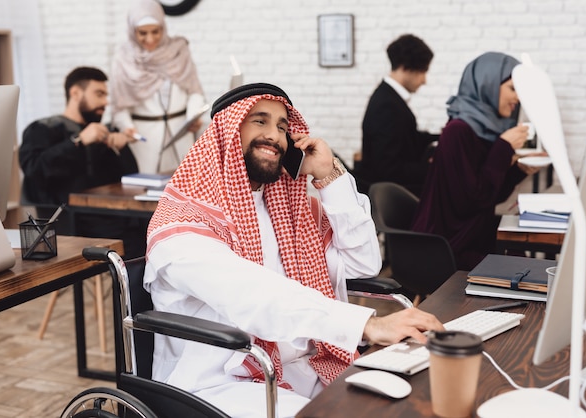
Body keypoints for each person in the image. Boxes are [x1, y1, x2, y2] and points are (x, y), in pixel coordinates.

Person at [143, 83, 444, 417]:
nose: (275, 135)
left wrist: (330, 176)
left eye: (283, 127)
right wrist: (367, 324)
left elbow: (365, 263)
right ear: (225, 134)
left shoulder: (289, 210)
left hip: (305, 367)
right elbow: (253, 294)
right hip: (222, 383)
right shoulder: (182, 223)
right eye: (260, 121)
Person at [411, 52, 540, 270]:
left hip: (472, 235)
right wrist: (504, 148)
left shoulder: (485, 131)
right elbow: (470, 201)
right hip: (447, 245)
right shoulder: (458, 131)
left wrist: (519, 169)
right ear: (487, 84)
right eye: (512, 88)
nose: (517, 98)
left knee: (526, 262)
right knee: (523, 270)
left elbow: (490, 195)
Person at [19, 66, 146, 258]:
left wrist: (121, 147)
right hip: (71, 221)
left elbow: (128, 179)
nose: (105, 102)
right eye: (99, 94)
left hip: (112, 215)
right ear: (76, 93)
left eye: (106, 95)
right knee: (137, 239)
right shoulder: (42, 129)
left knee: (156, 225)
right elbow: (34, 168)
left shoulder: (102, 131)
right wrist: (78, 141)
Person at [110, 0, 206, 174]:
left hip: (181, 135)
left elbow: (194, 91)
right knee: (146, 191)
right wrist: (127, 127)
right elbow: (119, 106)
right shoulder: (124, 58)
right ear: (133, 31)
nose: (150, 39)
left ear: (163, 27)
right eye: (142, 33)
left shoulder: (178, 50)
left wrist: (192, 117)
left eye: (156, 31)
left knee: (187, 186)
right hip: (145, 141)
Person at [356, 34, 440, 196]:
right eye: (423, 71)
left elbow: (406, 137)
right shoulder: (386, 105)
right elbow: (388, 168)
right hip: (389, 193)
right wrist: (433, 167)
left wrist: (440, 137)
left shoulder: (389, 98)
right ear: (405, 67)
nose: (424, 80)